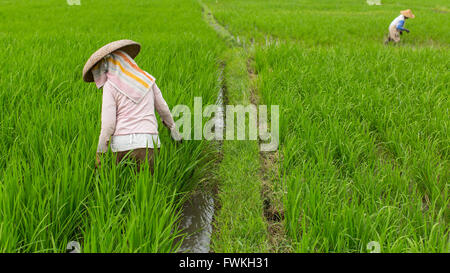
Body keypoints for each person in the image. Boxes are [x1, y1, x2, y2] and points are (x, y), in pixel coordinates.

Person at [82, 40, 182, 172]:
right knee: (147, 188)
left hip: (120, 147)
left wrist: (100, 152)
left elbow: (108, 125)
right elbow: (163, 110)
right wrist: (175, 133)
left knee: (123, 189)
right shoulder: (147, 80)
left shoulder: (110, 86)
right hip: (148, 143)